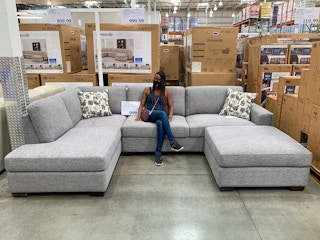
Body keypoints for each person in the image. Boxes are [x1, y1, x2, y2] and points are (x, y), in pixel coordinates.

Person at [135, 71, 184, 166]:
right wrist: (138, 116)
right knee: (162, 113)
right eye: (154, 79)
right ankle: (172, 141)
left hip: (161, 117)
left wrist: (169, 117)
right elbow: (141, 105)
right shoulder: (147, 90)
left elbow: (171, 106)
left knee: (160, 123)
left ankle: (158, 154)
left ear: (162, 81)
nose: (155, 81)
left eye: (158, 79)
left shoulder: (167, 92)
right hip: (150, 115)